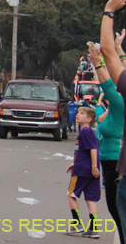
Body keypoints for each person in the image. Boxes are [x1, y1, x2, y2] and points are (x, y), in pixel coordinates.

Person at [88, 42, 124, 244]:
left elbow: (108, 86)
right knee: (117, 210)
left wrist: (98, 64)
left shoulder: (120, 103)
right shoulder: (115, 107)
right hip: (110, 162)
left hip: (115, 164)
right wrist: (119, 49)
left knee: (118, 210)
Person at [65, 106, 102, 238]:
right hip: (88, 169)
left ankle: (76, 223)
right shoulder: (90, 132)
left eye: (81, 114)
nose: (78, 115)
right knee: (90, 199)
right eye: (78, 113)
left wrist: (93, 166)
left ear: (89, 119)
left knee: (71, 194)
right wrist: (75, 163)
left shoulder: (85, 131)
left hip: (82, 171)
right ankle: (93, 228)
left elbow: (93, 150)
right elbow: (86, 152)